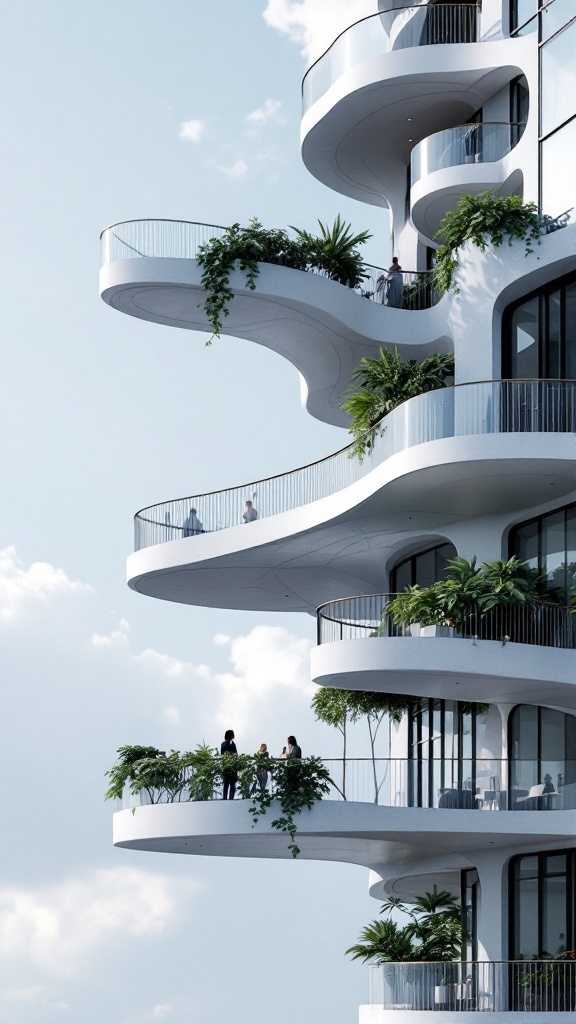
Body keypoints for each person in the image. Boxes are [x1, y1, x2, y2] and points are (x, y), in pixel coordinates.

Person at [220, 729, 238, 800]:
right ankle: (231, 799)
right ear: (231, 735)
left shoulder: (222, 744)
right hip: (231, 766)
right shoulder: (231, 742)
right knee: (232, 785)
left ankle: (224, 798)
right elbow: (234, 755)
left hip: (225, 765)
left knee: (226, 784)